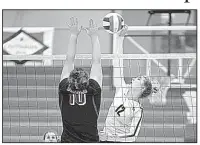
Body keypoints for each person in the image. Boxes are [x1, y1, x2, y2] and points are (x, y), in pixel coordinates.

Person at [100, 26, 161, 142]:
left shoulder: (138, 110)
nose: (134, 78)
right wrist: (120, 38)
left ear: (142, 88)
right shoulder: (121, 88)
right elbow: (118, 60)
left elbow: (132, 135)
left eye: (138, 79)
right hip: (104, 140)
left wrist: (110, 137)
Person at [59, 17, 102, 143]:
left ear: (70, 78)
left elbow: (68, 61)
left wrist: (73, 35)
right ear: (87, 79)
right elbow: (97, 62)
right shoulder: (93, 88)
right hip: (90, 140)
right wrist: (94, 36)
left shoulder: (64, 88)